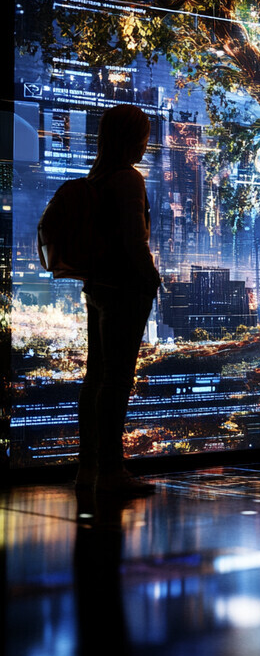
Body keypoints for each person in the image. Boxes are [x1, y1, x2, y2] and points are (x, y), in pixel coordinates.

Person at [75, 104, 161, 498]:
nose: (147, 142)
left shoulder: (99, 175)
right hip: (124, 288)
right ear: (130, 137)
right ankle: (111, 471)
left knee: (97, 377)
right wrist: (152, 278)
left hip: (98, 286)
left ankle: (89, 468)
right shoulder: (128, 179)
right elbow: (134, 241)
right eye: (143, 133)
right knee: (117, 380)